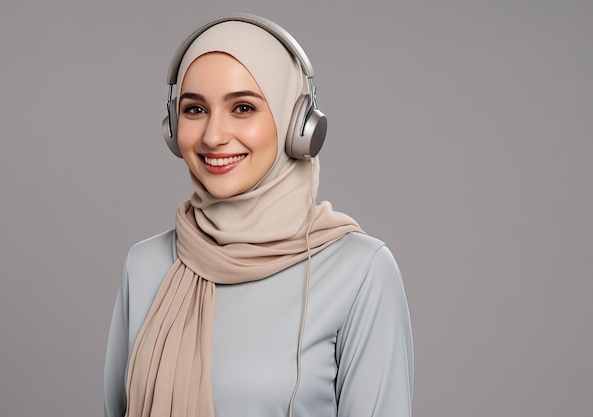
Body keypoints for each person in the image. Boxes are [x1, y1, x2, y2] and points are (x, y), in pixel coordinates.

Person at [104, 13, 413, 417]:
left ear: (296, 125)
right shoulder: (144, 266)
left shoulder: (360, 272)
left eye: (243, 107)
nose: (213, 136)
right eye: (194, 109)